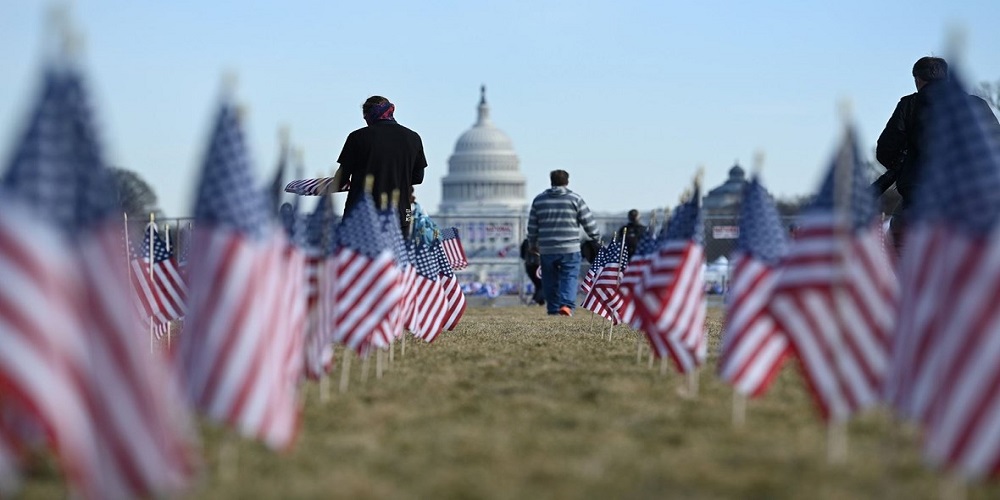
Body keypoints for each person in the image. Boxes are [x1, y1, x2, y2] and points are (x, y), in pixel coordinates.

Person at [874, 56, 998, 251]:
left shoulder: (910, 104)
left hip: (919, 198)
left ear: (917, 79)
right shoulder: (977, 105)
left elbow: (885, 151)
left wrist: (905, 164)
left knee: (897, 243)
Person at [334, 95, 427, 233]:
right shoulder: (413, 138)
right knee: (396, 254)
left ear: (368, 115)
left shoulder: (357, 137)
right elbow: (418, 178)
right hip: (401, 214)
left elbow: (341, 178)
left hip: (360, 216)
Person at [526, 169, 601, 316]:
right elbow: (588, 222)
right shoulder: (575, 199)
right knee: (570, 276)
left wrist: (532, 243)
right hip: (570, 247)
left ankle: (553, 308)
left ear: (551, 181)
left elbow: (532, 225)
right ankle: (566, 305)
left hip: (547, 248)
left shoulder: (539, 200)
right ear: (567, 182)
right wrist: (595, 237)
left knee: (549, 278)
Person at [520, 237, 544, 305]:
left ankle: (540, 301)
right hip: (539, 265)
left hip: (529, 265)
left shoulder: (526, 241)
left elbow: (522, 255)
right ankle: (535, 300)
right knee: (542, 284)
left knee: (538, 284)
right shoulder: (543, 240)